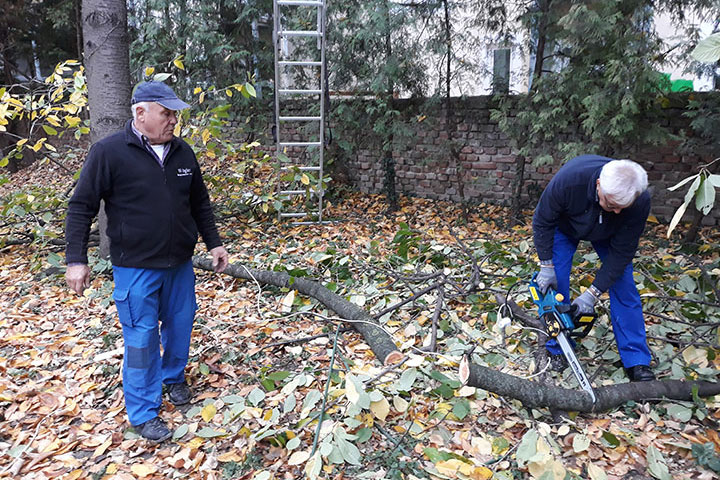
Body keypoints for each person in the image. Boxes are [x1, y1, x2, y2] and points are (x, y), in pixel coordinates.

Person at [65, 81, 229, 442]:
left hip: (180, 266)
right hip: (135, 268)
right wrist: (76, 259)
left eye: (174, 114)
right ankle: (143, 412)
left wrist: (214, 243)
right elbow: (81, 207)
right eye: (166, 113)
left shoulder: (183, 152)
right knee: (140, 340)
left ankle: (173, 378)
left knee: (181, 327)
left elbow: (199, 202)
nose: (173, 120)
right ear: (141, 114)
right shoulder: (108, 153)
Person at [532, 154, 655, 382]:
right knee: (555, 283)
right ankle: (556, 348)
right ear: (598, 185)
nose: (616, 210)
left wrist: (592, 294)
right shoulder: (570, 180)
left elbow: (622, 253)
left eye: (622, 207)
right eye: (611, 205)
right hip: (565, 227)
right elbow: (542, 221)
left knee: (625, 287)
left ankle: (636, 361)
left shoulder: (639, 200)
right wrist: (545, 264)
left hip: (611, 234)